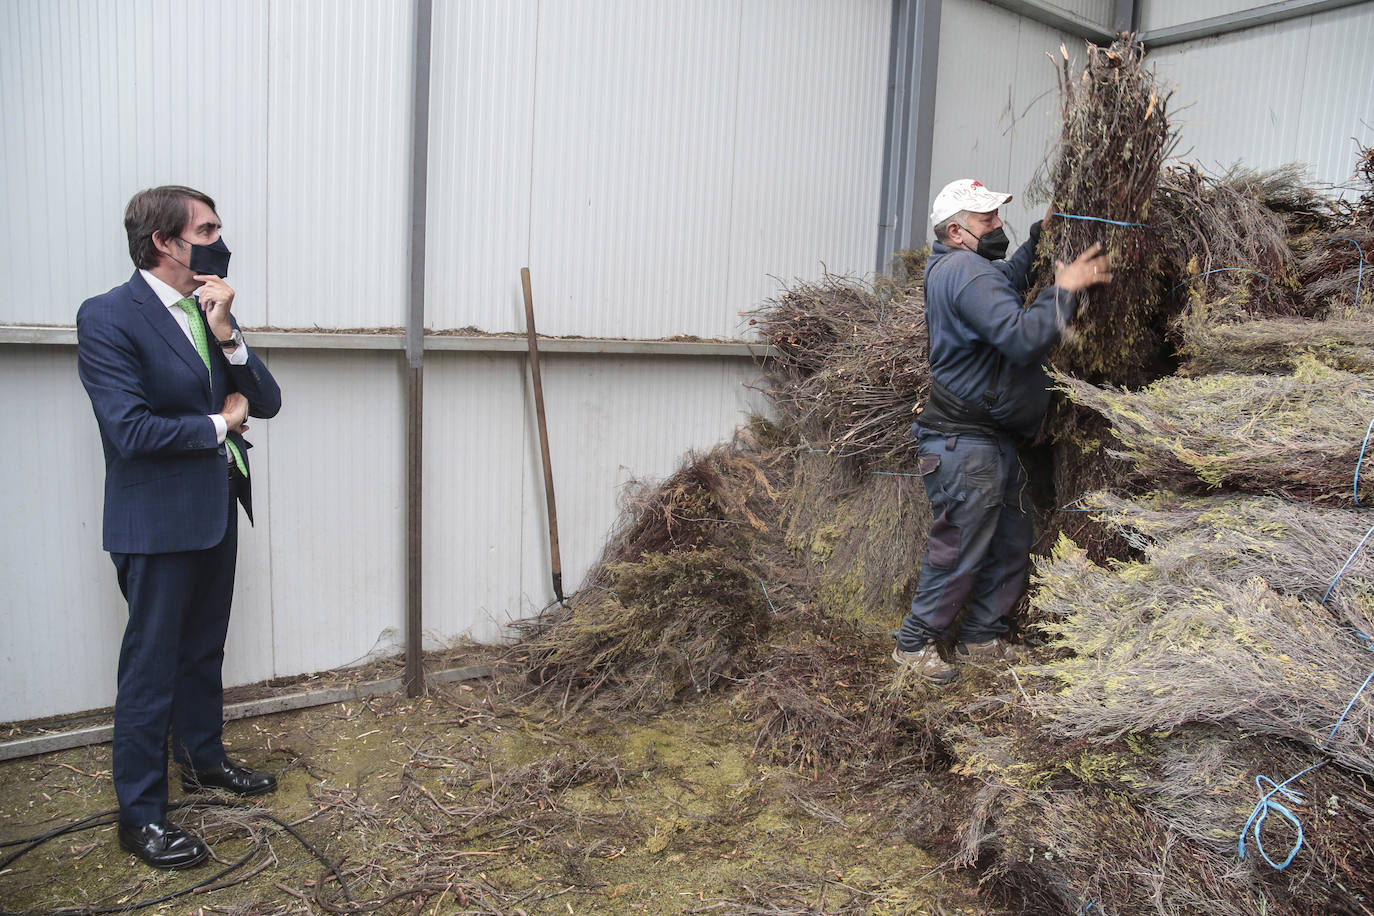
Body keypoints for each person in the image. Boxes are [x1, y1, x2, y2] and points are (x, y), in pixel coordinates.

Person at [77, 186, 283, 869]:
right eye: (208, 228)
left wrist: (227, 335)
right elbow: (129, 429)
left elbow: (269, 401)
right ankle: (141, 817)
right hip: (155, 522)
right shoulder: (109, 316)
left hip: (213, 511)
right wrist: (221, 423)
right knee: (151, 667)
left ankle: (202, 763)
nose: (220, 240)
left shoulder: (208, 312)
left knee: (202, 652)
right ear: (166, 241)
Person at [891, 179, 1111, 684]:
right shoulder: (967, 273)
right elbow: (1021, 338)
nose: (997, 226)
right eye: (987, 220)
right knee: (962, 545)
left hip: (988, 441)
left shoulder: (964, 268)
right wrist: (1066, 289)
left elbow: (1006, 279)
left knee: (1011, 540)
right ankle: (913, 646)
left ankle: (982, 637)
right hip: (964, 445)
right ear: (956, 230)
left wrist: (1041, 237)